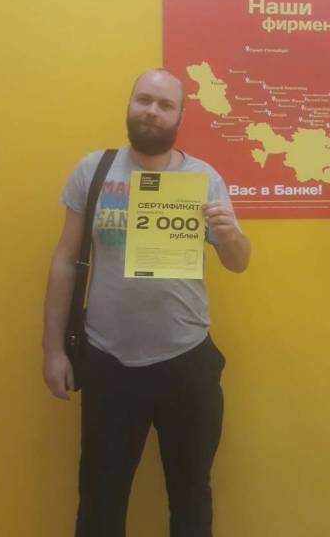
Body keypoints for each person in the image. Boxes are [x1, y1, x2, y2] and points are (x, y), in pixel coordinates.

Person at [42, 68, 250, 537]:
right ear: (130, 104)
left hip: (187, 362)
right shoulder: (94, 171)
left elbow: (238, 262)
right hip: (107, 362)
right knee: (99, 500)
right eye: (144, 100)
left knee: (191, 497)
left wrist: (229, 234)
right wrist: (52, 350)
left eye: (165, 104)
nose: (152, 111)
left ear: (180, 116)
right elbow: (64, 260)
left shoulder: (203, 178)